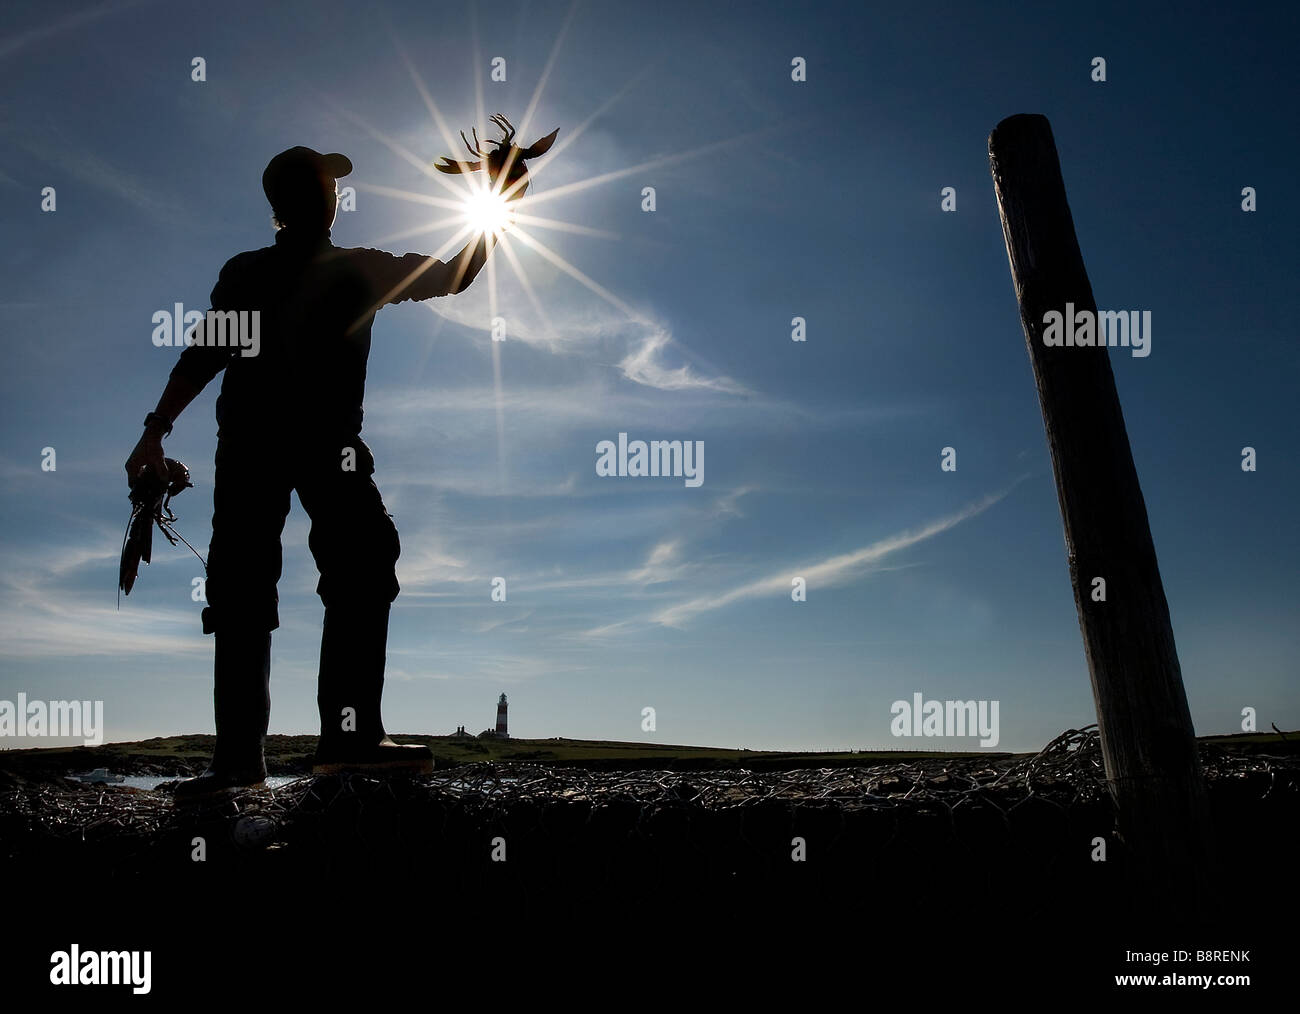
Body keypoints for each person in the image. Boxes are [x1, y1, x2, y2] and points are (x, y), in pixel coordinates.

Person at [125, 146, 512, 799]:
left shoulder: (253, 271)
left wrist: (155, 430)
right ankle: (345, 741)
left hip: (253, 445)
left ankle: (243, 763)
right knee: (352, 564)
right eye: (327, 184)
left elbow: (203, 355)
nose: (331, 194)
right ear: (319, 203)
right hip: (319, 443)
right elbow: (457, 274)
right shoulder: (354, 268)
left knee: (249, 586)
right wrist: (498, 202)